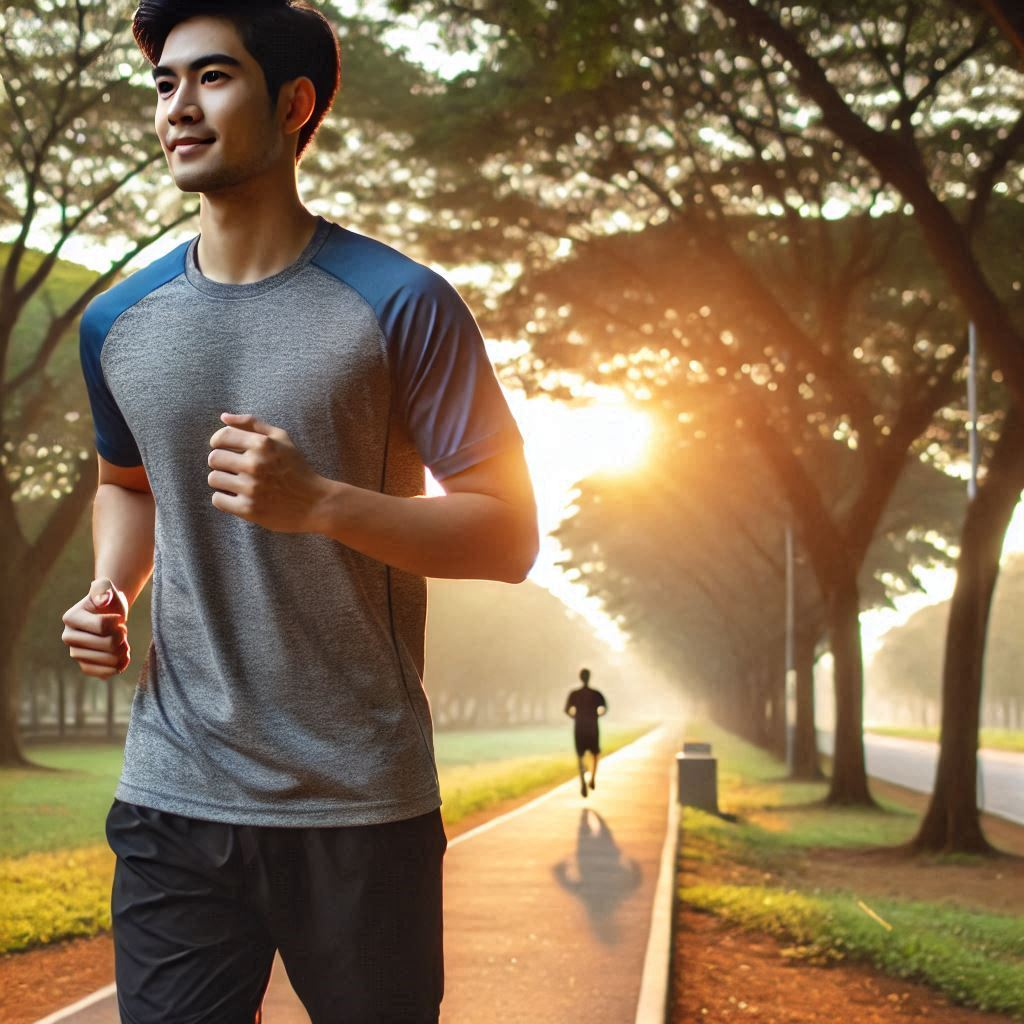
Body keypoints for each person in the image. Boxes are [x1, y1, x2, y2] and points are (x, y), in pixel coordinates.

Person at [59, 2, 539, 1021]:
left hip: (358, 798)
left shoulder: (400, 302)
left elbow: (507, 531)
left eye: (212, 78)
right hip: (174, 791)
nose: (178, 107)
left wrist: (317, 501)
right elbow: (128, 480)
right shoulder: (117, 322)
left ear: (294, 103)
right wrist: (111, 585)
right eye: (165, 84)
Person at [564, 668, 607, 798]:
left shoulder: (574, 694)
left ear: (580, 678)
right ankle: (592, 778)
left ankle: (583, 781)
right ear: (589, 677)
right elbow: (605, 708)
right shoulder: (596, 694)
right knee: (595, 753)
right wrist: (597, 715)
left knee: (580, 756)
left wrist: (575, 717)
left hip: (580, 727)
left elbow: (567, 710)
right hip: (593, 727)